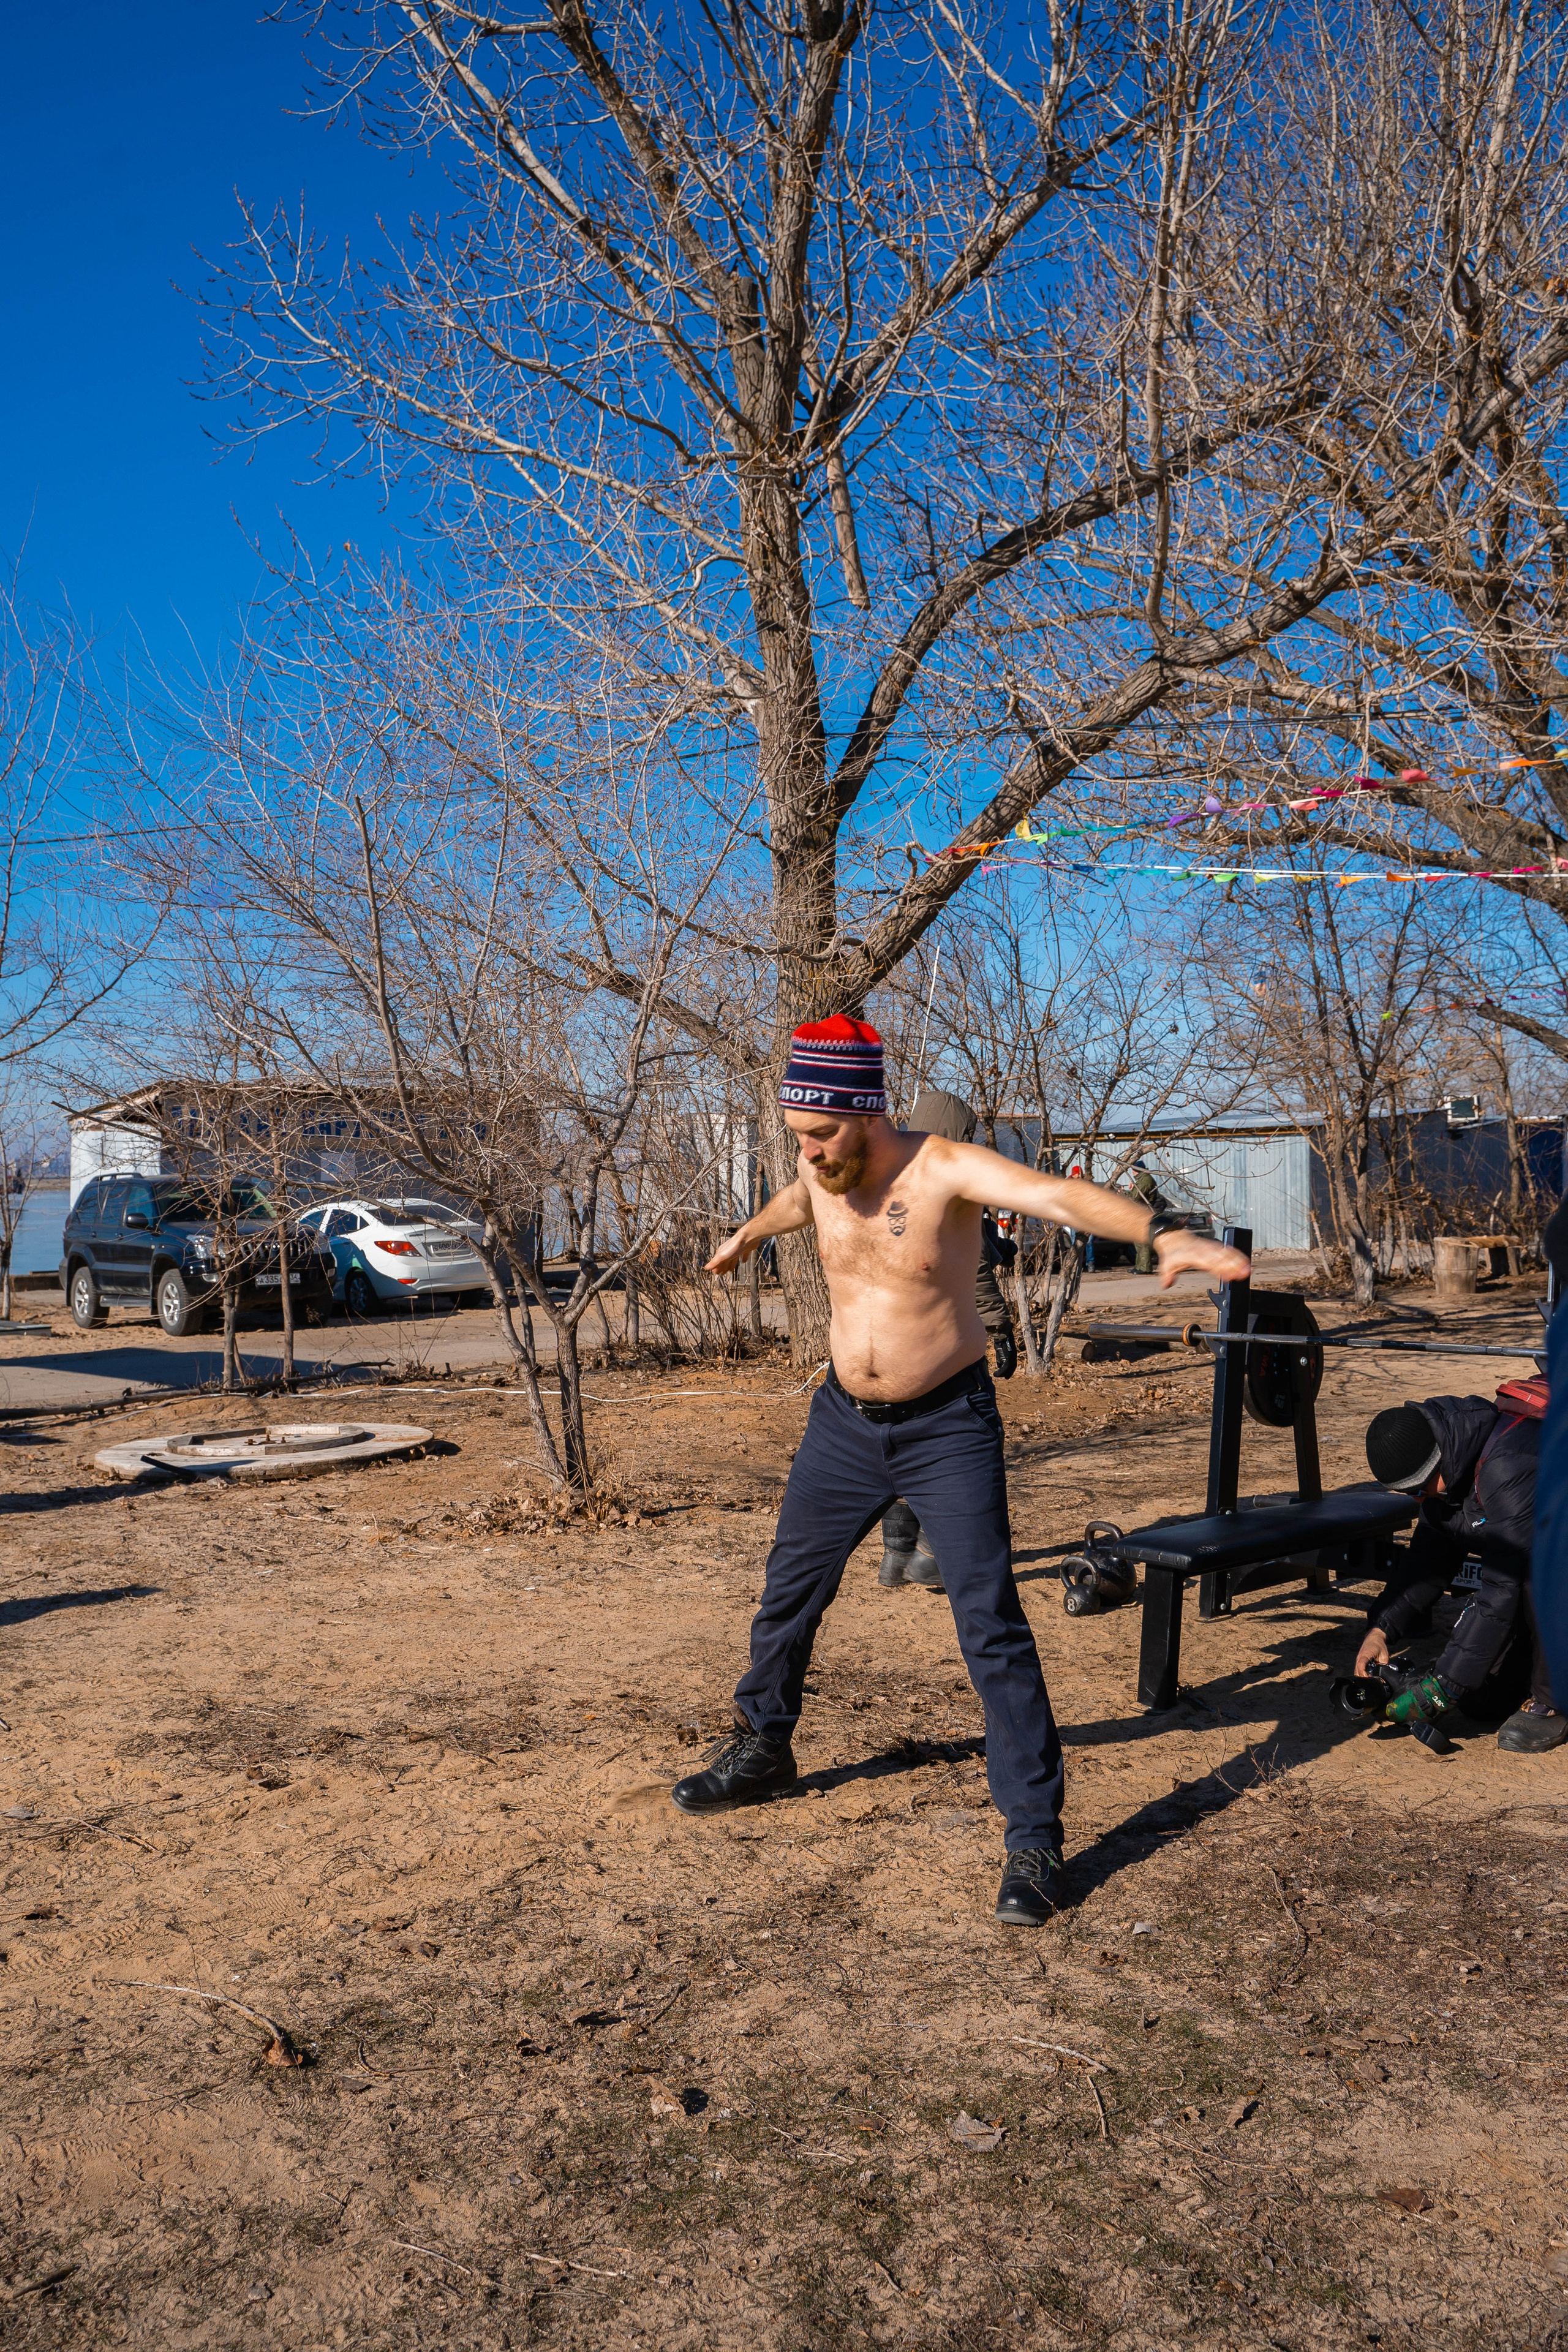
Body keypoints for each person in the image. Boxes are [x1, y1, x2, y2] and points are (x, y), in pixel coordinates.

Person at [676, 1013, 1250, 1927]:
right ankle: (762, 1746)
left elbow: (1056, 1197)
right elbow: (797, 1203)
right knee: (789, 1592)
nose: (810, 1153)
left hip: (946, 1423)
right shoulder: (818, 1167)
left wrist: (1161, 1233)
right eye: (799, 1137)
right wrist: (748, 1237)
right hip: (842, 1422)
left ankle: (1033, 1832)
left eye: (823, 1134)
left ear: (867, 1114)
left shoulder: (943, 1168)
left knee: (988, 1620)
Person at [1358, 1392, 1564, 1751]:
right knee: (1482, 1702)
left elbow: (1503, 1588)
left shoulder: (1508, 1467)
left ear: (1437, 1461)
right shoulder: (1447, 1478)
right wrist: (1381, 1629)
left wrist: (1443, 1688)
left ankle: (1553, 1703)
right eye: (1409, 1492)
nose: (1417, 1499)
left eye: (1419, 1488)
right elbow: (1426, 1562)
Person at [878, 1088, 1018, 1594]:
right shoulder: (954, 1182)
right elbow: (975, 1272)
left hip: (887, 1348)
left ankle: (896, 1558)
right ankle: (934, 1557)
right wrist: (1000, 1329)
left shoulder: (885, 1178)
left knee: (900, 1448)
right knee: (960, 1450)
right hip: (941, 1345)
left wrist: (995, 1242)